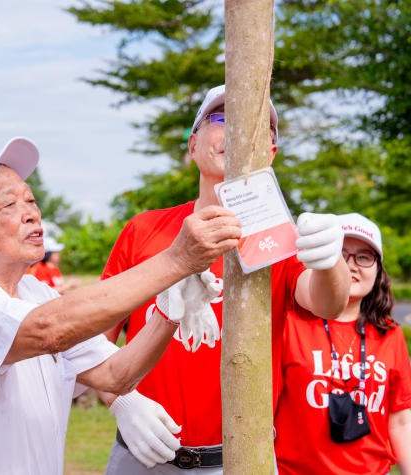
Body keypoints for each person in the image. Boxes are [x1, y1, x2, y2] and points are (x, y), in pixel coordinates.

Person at [0, 137, 242, 475]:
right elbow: (49, 329)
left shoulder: (36, 293)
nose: (32, 214)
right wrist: (177, 259)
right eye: (9, 206)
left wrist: (169, 311)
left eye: (31, 200)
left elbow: (115, 375)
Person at [99, 84, 352, 474]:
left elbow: (327, 302)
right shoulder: (143, 230)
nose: (236, 131)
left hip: (238, 461)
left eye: (255, 125)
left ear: (270, 153)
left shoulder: (280, 240)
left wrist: (329, 260)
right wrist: (120, 402)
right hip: (141, 454)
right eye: (221, 118)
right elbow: (94, 342)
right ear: (193, 144)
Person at [274, 212, 411, 474]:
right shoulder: (290, 324)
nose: (350, 266)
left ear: (378, 271)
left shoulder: (389, 333)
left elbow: (399, 421)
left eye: (364, 256)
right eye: (340, 254)